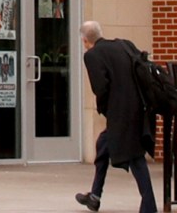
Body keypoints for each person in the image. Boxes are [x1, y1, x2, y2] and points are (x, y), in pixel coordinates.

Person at [76, 19, 155, 213]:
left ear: (85, 41)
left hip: (120, 114)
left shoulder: (92, 55)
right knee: (103, 147)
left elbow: (100, 88)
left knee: (135, 157)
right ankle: (94, 196)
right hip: (139, 106)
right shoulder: (122, 45)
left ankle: (149, 206)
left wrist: (104, 109)